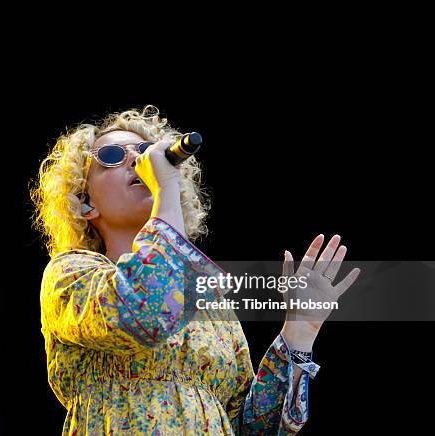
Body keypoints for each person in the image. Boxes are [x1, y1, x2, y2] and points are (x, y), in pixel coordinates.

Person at [30, 105, 360, 435]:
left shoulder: (209, 303)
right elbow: (142, 313)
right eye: (113, 155)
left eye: (145, 151)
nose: (137, 160)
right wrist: (166, 188)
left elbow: (255, 428)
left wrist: (300, 329)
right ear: (85, 202)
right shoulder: (71, 275)